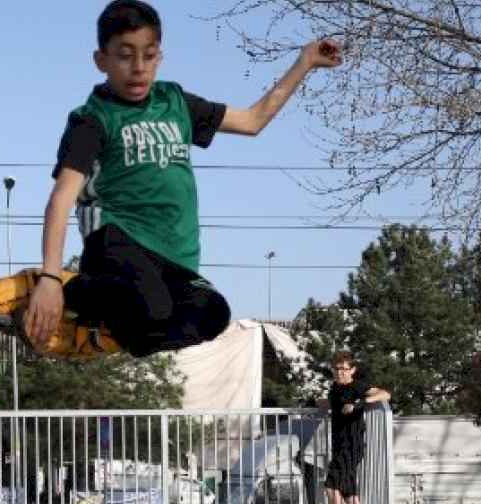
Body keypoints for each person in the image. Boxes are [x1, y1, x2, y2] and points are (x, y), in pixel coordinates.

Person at [23, 0, 343, 358]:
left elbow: (253, 121)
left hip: (172, 257)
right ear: (102, 60)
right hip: (115, 240)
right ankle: (65, 293)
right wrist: (50, 277)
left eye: (149, 54)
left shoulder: (175, 103)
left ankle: (99, 331)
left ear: (160, 56)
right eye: (125, 55)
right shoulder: (92, 119)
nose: (138, 68)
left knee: (212, 312)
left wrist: (305, 63)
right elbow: (61, 198)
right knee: (153, 307)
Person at [320, 351, 391, 504]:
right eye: (336, 369)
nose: (340, 373)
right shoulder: (335, 388)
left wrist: (360, 403)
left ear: (352, 370)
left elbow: (385, 394)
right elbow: (331, 404)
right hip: (338, 445)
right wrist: (316, 403)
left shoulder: (356, 387)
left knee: (330, 485)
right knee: (348, 487)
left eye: (344, 369)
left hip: (351, 445)